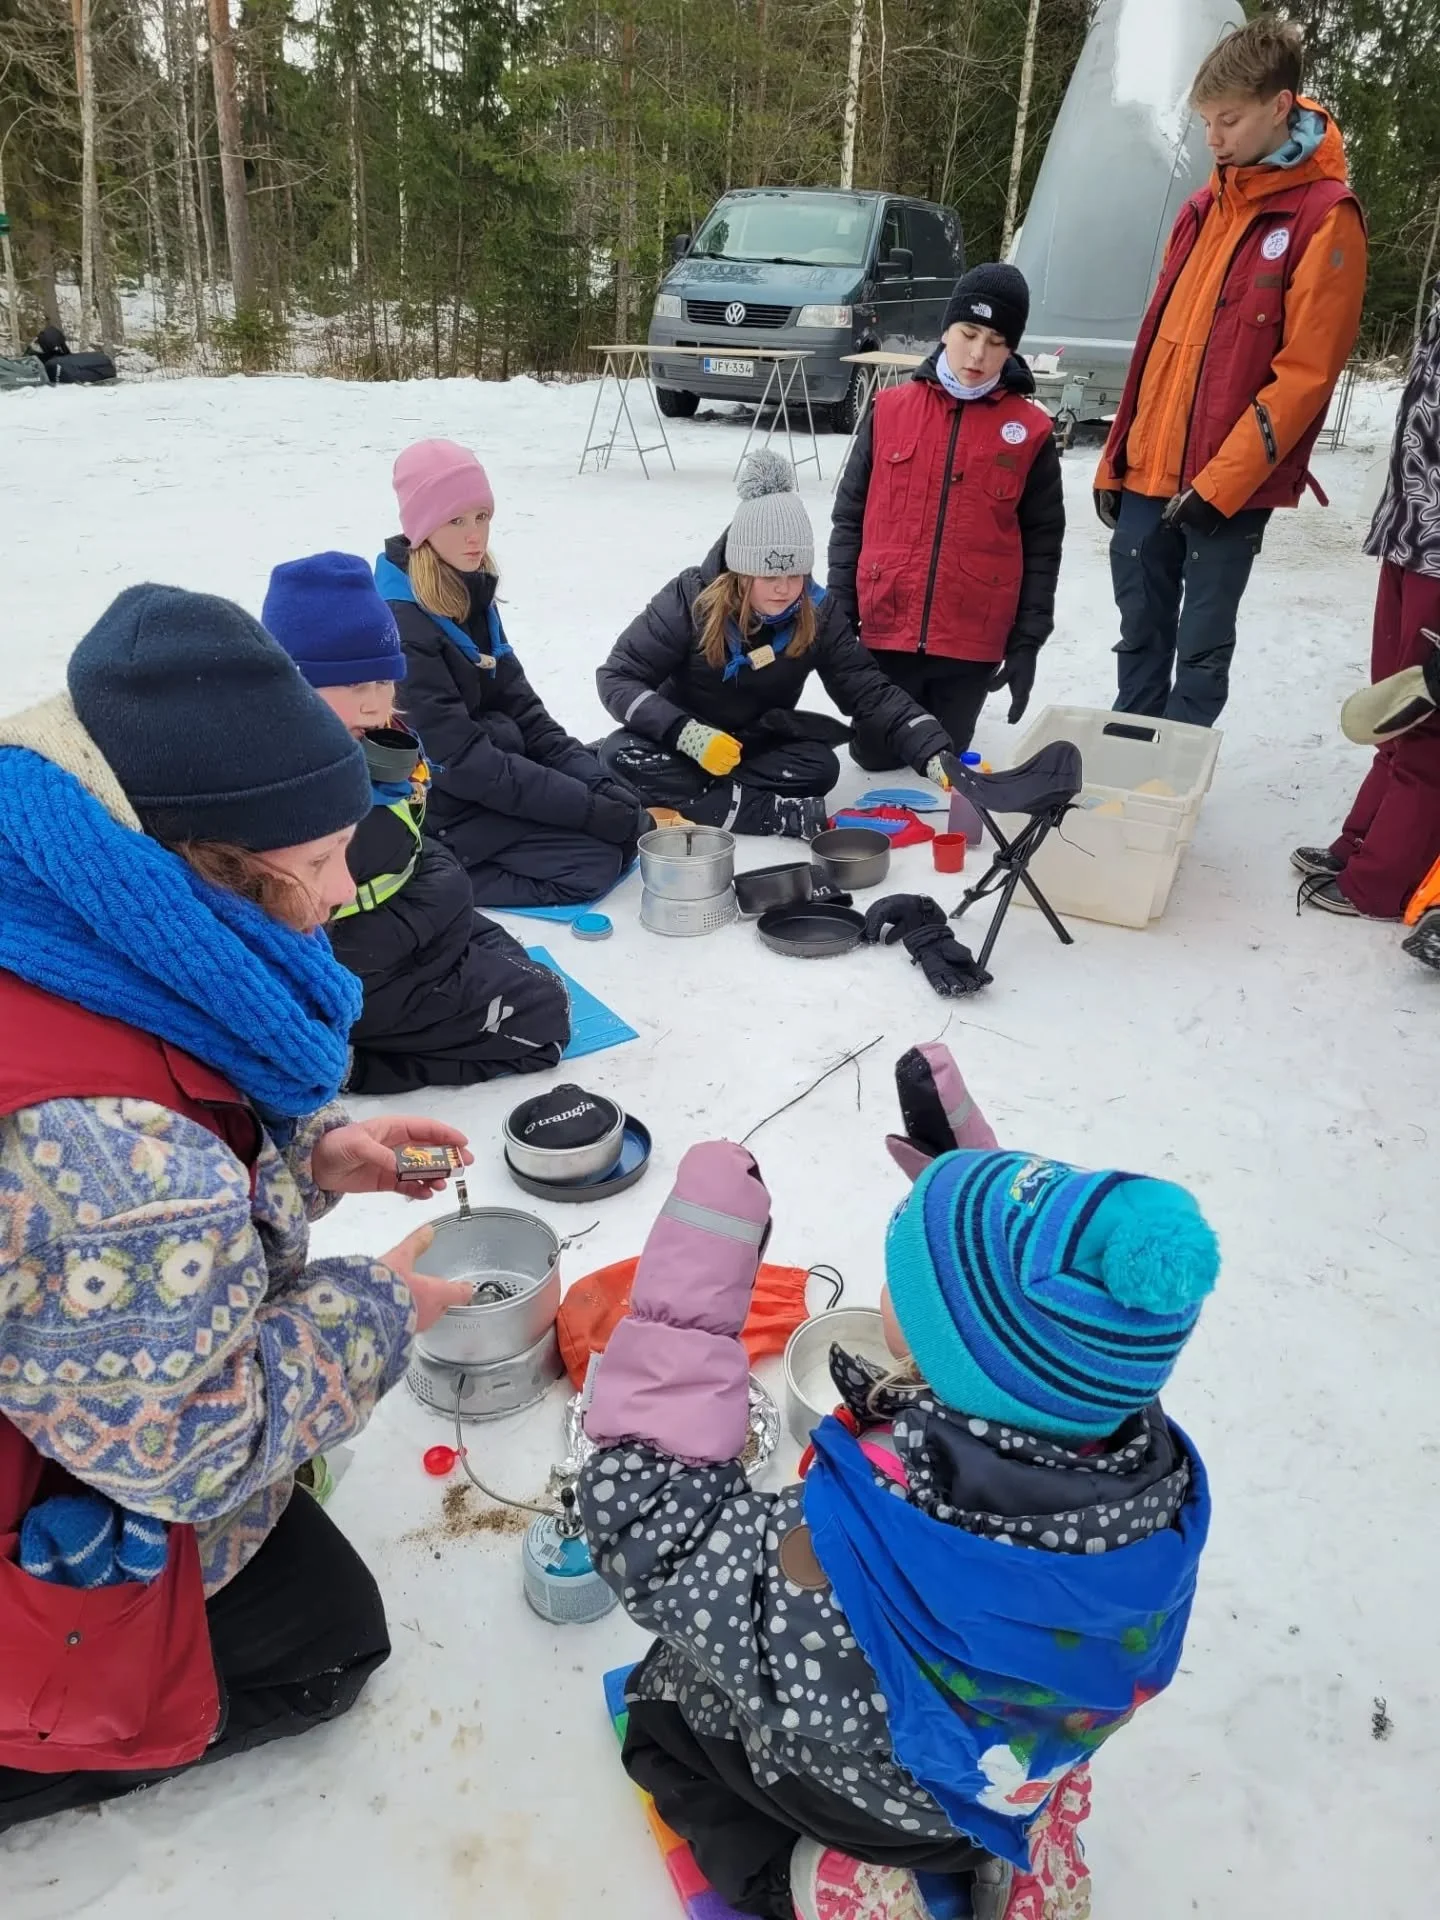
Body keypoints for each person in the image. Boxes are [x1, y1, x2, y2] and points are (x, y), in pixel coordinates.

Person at [0, 585, 474, 1831]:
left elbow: (167, 1074)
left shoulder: (68, 912)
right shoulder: (116, 1159)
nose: (337, 893)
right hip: (54, 1503)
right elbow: (185, 1448)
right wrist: (381, 1309)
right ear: (212, 863)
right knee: (333, 1641)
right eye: (317, 862)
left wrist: (315, 1152)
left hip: (70, 1382)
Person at [579, 1043, 1216, 1920]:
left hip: (884, 1805)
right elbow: (1036, 1318)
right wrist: (972, 1177)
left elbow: (655, 1531)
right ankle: (1024, 1852)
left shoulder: (857, 1564)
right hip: (1016, 1775)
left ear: (939, 1352)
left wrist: (686, 1302)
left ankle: (822, 1881)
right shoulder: (1149, 1485)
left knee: (666, 1722)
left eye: (904, 1277)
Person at [1094, 14, 1367, 727]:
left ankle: (1173, 775)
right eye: (1205, 121)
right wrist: (1114, 460)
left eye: (1228, 120)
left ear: (1281, 107)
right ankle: (1131, 753)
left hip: (1227, 485)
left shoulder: (1323, 218)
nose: (1212, 139)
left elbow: (1306, 374)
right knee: (1139, 633)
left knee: (1202, 644)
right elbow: (1155, 349)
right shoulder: (1199, 210)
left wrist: (1222, 485)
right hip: (1149, 471)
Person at [262, 551, 571, 1094]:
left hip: (415, 923)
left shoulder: (372, 743)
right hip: (367, 970)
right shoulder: (290, 787)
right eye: (355, 685)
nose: (376, 705)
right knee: (546, 1012)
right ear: (294, 686)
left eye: (385, 681)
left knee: (517, 961)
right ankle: (353, 1067)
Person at [596, 452, 953, 838]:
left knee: (820, 768)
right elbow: (618, 677)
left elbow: (867, 690)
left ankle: (696, 796)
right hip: (680, 739)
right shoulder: (690, 598)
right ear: (740, 571)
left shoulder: (818, 611)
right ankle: (766, 813)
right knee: (620, 753)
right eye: (768, 575)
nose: (784, 588)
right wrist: (688, 734)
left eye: (794, 573)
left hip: (751, 742)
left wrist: (932, 750)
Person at [378, 438, 651, 908]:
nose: (475, 536)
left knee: (627, 831)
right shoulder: (402, 624)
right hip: (437, 805)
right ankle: (436, 876)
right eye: (456, 520)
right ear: (422, 528)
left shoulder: (469, 592)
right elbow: (460, 762)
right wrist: (585, 810)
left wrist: (597, 785)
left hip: (487, 778)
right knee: (595, 864)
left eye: (482, 517)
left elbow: (525, 712)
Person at [828, 264, 1065, 763]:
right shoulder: (890, 409)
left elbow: (1043, 545)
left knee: (941, 754)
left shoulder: (1030, 432)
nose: (978, 354)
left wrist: (1027, 642)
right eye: (969, 333)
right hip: (887, 623)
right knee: (874, 755)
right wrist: (840, 611)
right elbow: (850, 517)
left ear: (1013, 347)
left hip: (970, 638)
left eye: (997, 340)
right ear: (946, 329)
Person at [1293, 281, 1440, 921]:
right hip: (1413, 529)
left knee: (1428, 718)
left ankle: (1382, 881)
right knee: (1394, 702)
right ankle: (1363, 843)